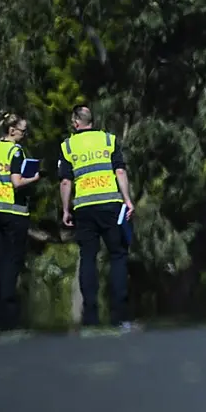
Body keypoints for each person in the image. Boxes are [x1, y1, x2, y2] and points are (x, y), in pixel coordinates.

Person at [59, 105, 134, 329]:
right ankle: (119, 314)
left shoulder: (68, 145)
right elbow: (120, 171)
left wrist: (65, 209)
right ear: (91, 120)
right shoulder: (108, 140)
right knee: (118, 256)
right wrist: (127, 199)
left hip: (84, 208)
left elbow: (65, 181)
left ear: (75, 122)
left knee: (88, 257)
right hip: (110, 205)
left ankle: (91, 315)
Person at [0, 112, 40, 331]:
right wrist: (35, 177)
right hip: (14, 212)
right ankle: (8, 313)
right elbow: (16, 182)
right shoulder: (16, 151)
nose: (25, 135)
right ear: (12, 130)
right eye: (23, 131)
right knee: (12, 261)